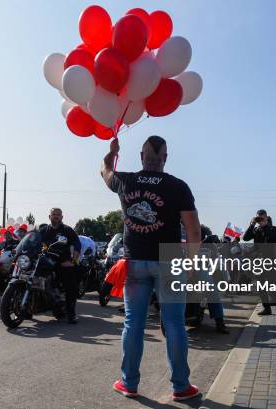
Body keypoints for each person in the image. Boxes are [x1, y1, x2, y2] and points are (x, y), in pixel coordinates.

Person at [102, 135, 201, 401]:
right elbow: (193, 229)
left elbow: (105, 171)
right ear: (165, 158)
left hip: (134, 262)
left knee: (133, 322)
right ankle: (181, 387)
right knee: (174, 324)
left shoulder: (125, 180)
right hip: (169, 261)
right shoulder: (178, 186)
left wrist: (112, 152)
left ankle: (128, 383)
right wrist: (192, 262)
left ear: (141, 157)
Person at [243, 209, 276, 317]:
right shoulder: (255, 230)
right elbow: (245, 238)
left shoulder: (273, 229)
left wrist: (265, 225)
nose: (260, 219)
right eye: (258, 217)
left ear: (266, 217)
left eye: (262, 217)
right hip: (259, 262)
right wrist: (252, 225)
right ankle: (267, 308)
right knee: (261, 286)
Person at [40, 208, 81, 324]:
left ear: (62, 217)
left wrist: (73, 260)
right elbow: (33, 241)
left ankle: (71, 313)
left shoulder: (67, 230)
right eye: (54, 214)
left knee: (70, 286)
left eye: (58, 215)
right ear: (49, 216)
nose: (56, 216)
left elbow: (77, 245)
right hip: (45, 260)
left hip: (62, 261)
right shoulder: (43, 230)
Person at [199, 225, 229, 334]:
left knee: (213, 293)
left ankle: (220, 323)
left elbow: (215, 261)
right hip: (185, 269)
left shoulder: (211, 246)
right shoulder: (184, 241)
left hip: (200, 271)